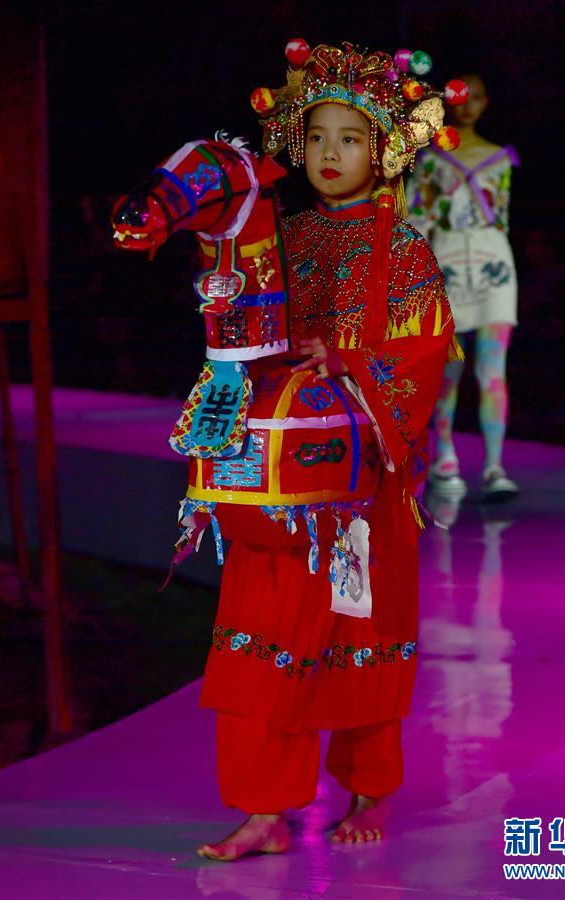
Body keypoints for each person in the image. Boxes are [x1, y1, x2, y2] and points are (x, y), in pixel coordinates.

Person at [194, 41, 460, 861]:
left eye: (349, 138)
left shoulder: (402, 250)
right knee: (257, 632)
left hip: (358, 492)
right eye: (315, 137)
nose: (329, 153)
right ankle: (264, 809)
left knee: (353, 632)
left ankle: (368, 786)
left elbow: (423, 359)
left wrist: (347, 360)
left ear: (380, 151)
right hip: (277, 480)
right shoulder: (278, 238)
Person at [407, 73, 519, 500]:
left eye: (476, 97)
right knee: (448, 370)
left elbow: (501, 214)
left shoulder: (500, 157)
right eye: (460, 97)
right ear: (448, 102)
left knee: (492, 370)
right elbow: (417, 215)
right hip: (448, 260)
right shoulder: (431, 159)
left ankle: (495, 466)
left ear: (486, 102)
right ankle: (445, 456)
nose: (468, 104)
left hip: (493, 262)